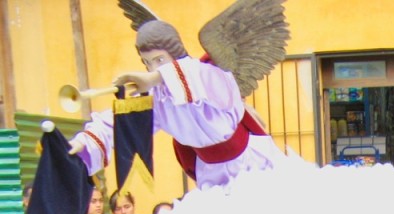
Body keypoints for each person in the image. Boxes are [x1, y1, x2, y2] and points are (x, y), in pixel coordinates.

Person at [69, 20, 282, 190]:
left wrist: (154, 78)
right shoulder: (158, 98)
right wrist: (86, 142)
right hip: (210, 171)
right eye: (147, 63)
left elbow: (203, 80)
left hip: (249, 163)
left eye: (159, 60)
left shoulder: (208, 74)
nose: (153, 68)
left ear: (175, 53)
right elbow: (120, 123)